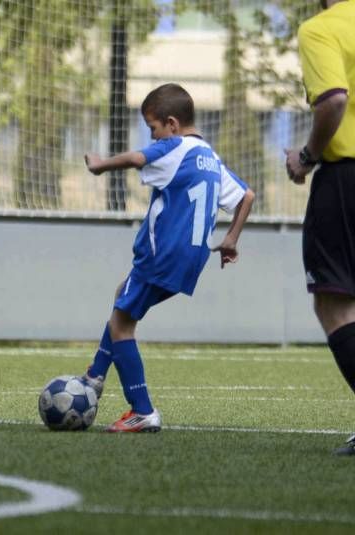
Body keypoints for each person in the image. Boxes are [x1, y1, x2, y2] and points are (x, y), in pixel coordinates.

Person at [82, 83, 256, 433]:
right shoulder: (209, 155)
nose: (154, 137)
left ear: (172, 124)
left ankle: (142, 410)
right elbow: (247, 195)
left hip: (163, 254)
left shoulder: (175, 147)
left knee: (121, 324)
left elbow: (135, 159)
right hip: (193, 258)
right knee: (123, 296)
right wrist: (231, 239)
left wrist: (101, 165)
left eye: (154, 129)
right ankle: (94, 377)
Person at [285, 0, 355, 456]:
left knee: (335, 303)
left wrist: (306, 157)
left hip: (347, 177)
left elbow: (333, 99)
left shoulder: (321, 29)